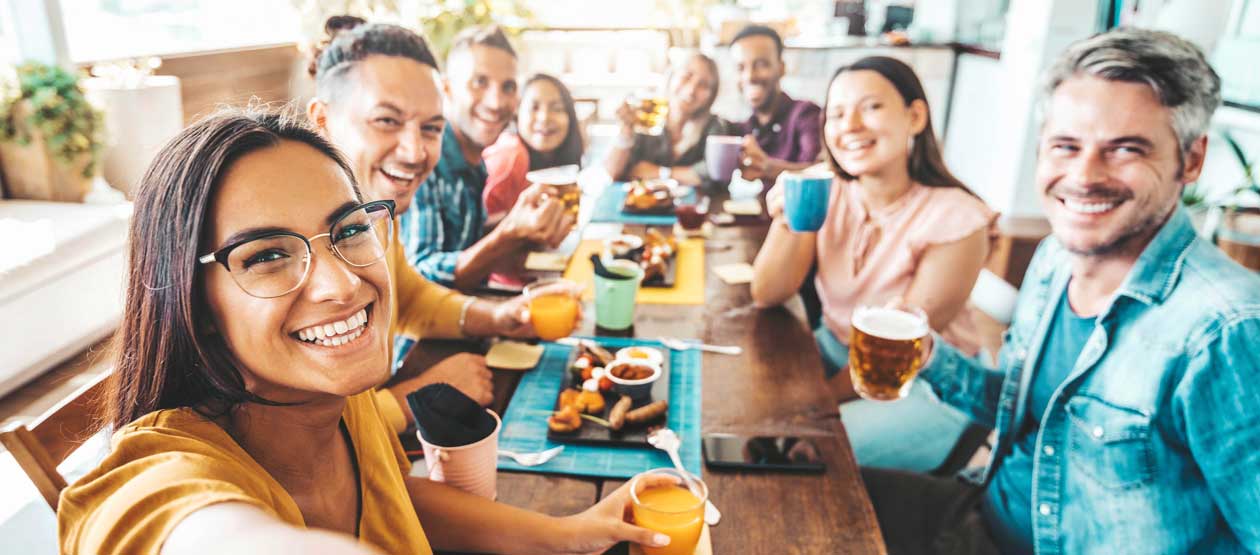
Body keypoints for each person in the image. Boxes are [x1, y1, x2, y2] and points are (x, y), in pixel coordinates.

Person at [57, 108, 675, 555]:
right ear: (193, 306)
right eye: (267, 255)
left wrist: (567, 536)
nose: (342, 285)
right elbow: (195, 530)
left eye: (350, 230)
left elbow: (396, 502)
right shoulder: (156, 474)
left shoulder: (338, 402)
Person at [861, 29, 1260, 555]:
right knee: (795, 491)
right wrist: (931, 358)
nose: (1084, 176)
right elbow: (1024, 411)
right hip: (983, 515)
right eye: (1066, 146)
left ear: (1191, 160)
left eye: (1125, 150)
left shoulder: (1224, 331)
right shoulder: (1055, 258)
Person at [304, 18, 578, 432]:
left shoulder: (375, 215)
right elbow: (295, 435)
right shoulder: (293, 245)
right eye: (387, 121)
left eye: (431, 128)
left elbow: (409, 298)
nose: (415, 153)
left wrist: (499, 315)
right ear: (322, 121)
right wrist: (417, 395)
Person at [751, 56, 995, 472]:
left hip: (921, 382)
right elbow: (768, 291)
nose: (850, 126)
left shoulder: (957, 219)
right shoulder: (827, 191)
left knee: (811, 451)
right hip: (835, 350)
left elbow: (893, 352)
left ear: (915, 116)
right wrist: (786, 220)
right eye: (838, 114)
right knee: (752, 409)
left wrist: (811, 410)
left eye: (871, 107)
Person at [402, 25, 574, 290]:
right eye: (479, 82)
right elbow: (418, 282)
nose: (496, 103)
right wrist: (508, 233)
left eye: (508, 87)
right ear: (446, 90)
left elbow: (466, 239)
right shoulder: (424, 160)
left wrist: (523, 223)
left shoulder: (475, 159)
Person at [604, 52, 731, 186]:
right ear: (671, 77)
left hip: (692, 206)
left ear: (712, 95)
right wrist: (626, 130)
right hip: (642, 204)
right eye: (686, 76)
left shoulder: (715, 126)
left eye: (703, 84)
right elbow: (613, 172)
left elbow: (714, 174)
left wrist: (660, 173)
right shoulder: (646, 116)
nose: (692, 90)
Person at [482, 73, 585, 227]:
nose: (544, 117)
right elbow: (479, 227)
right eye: (534, 107)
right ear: (517, 113)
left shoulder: (557, 161)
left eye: (556, 109)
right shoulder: (511, 154)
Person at [728, 24, 822, 184]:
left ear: (781, 68)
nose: (749, 76)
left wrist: (767, 167)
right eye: (740, 67)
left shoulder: (806, 115)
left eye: (761, 64)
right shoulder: (743, 128)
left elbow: (821, 171)